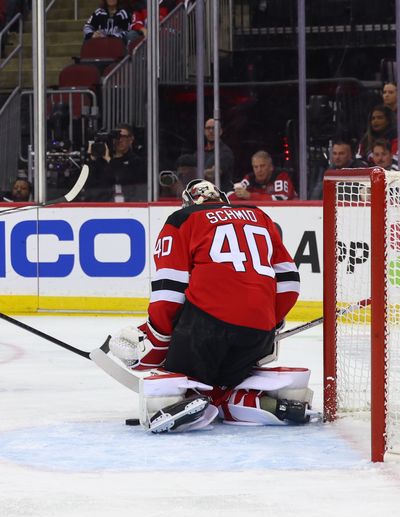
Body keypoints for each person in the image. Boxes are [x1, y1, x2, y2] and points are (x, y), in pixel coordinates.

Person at [106, 179, 306, 433]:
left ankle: (177, 399)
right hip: (257, 335)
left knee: (176, 375)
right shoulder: (259, 216)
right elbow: (289, 282)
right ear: (222, 197)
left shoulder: (181, 219)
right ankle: (247, 401)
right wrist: (271, 322)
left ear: (189, 201)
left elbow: (169, 289)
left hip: (205, 332)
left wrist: (157, 335)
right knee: (227, 381)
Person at [85, 123, 145, 202]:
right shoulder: (101, 160)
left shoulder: (136, 161)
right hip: (103, 206)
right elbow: (89, 184)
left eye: (123, 137)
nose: (120, 140)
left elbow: (123, 178)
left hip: (129, 206)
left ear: (131, 139)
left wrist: (109, 160)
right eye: (116, 137)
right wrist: (91, 159)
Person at [229, 150, 297, 202]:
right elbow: (230, 198)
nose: (259, 170)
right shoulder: (249, 178)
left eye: (262, 166)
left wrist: (250, 196)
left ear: (271, 167)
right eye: (256, 167)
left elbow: (281, 199)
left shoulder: (280, 176)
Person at [195, 118, 235, 187]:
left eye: (214, 128)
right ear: (204, 131)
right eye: (208, 128)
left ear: (220, 131)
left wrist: (193, 174)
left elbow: (214, 173)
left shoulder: (225, 152)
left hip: (220, 194)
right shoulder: (200, 153)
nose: (211, 131)